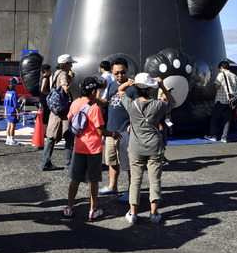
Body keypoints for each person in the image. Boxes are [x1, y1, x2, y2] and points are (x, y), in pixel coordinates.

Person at [118, 73, 174, 224]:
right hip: (154, 146)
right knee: (155, 180)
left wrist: (130, 83)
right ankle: (154, 213)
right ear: (150, 88)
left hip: (136, 148)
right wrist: (161, 86)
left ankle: (133, 213)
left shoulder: (131, 104)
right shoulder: (158, 105)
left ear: (136, 88)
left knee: (135, 181)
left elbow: (120, 90)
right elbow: (172, 102)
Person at [63, 77, 121, 221]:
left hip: (79, 146)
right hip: (93, 148)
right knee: (93, 180)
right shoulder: (94, 108)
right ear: (93, 91)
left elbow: (70, 120)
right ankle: (92, 210)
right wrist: (113, 134)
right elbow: (100, 131)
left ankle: (69, 207)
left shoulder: (75, 103)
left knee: (75, 179)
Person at [99, 58, 134, 203]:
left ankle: (130, 190)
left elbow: (138, 106)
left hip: (126, 131)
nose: (120, 76)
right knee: (112, 160)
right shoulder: (112, 85)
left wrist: (133, 124)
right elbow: (106, 102)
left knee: (129, 163)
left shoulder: (132, 87)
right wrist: (94, 99)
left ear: (127, 71)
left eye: (122, 72)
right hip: (111, 130)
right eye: (116, 73)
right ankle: (112, 186)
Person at [39, 54, 76, 171]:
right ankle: (69, 164)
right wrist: (72, 79)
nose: (71, 65)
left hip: (55, 110)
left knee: (51, 136)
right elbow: (66, 90)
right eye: (70, 63)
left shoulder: (55, 73)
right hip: (63, 112)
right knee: (69, 136)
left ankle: (45, 162)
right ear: (66, 64)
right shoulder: (64, 74)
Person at [205, 61, 237, 143]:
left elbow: (216, 85)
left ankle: (214, 135)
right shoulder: (234, 76)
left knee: (214, 118)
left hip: (221, 100)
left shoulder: (221, 74)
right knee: (227, 119)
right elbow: (235, 88)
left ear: (221, 67)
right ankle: (224, 137)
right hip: (231, 101)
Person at [39, 64, 52, 134]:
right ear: (45, 71)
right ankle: (44, 132)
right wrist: (50, 93)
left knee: (45, 115)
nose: (50, 72)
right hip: (45, 100)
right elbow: (42, 90)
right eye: (49, 70)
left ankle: (44, 131)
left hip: (42, 99)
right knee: (46, 116)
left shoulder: (41, 77)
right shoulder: (45, 79)